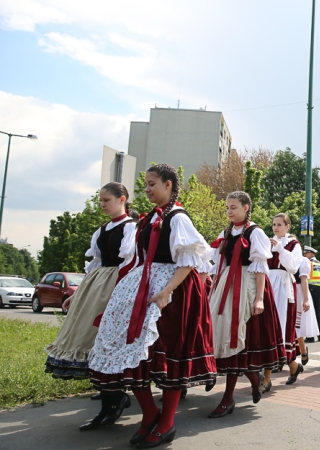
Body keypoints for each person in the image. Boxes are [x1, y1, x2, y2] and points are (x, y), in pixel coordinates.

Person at [89, 164, 215, 448]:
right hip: (145, 284)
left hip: (174, 291)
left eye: (152, 183)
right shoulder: (147, 220)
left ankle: (167, 422)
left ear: (168, 185)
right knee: (132, 354)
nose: (146, 189)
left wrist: (166, 291)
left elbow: (188, 261)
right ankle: (150, 414)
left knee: (168, 356)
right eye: (145, 184)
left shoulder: (178, 218)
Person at [45, 182, 137, 431]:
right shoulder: (102, 230)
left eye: (107, 200)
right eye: (101, 201)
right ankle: (111, 401)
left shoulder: (131, 228)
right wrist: (76, 296)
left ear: (122, 199)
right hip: (96, 287)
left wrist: (123, 295)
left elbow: (132, 264)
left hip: (117, 286)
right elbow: (94, 265)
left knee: (105, 343)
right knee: (87, 339)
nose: (103, 204)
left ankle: (115, 399)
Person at [207, 191, 286, 419]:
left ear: (246, 207)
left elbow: (261, 267)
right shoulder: (227, 233)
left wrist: (259, 298)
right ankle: (254, 378)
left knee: (239, 339)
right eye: (227, 207)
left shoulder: (255, 232)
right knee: (227, 336)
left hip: (248, 287)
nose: (230, 211)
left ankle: (228, 398)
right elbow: (219, 264)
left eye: (233, 207)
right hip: (227, 285)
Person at [261, 213, 305, 390]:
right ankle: (293, 366)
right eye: (273, 224)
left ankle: (267, 378)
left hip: (284, 286)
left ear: (288, 226)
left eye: (279, 224)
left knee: (278, 327)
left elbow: (293, 267)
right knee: (267, 327)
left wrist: (280, 249)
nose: (275, 227)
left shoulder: (294, 245)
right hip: (267, 284)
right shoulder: (266, 242)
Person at [295, 256, 319, 368]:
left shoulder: (303, 260)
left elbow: (304, 279)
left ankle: (303, 350)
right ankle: (286, 355)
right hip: (285, 289)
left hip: (298, 290)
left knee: (297, 326)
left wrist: (305, 299)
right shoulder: (282, 256)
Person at [304, 246, 320, 343]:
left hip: (310, 288)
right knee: (318, 312)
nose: (304, 255)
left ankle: (310, 337)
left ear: (311, 253)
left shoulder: (308, 263)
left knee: (309, 312)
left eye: (306, 253)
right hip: (318, 289)